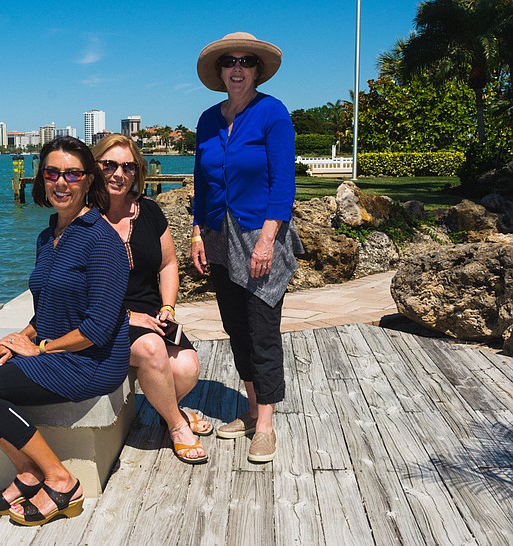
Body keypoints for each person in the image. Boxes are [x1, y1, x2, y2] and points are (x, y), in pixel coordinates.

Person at [0, 136, 130, 526]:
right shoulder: (49, 236)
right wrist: (17, 340)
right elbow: (46, 311)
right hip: (57, 350)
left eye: (72, 174)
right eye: (52, 173)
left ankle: (61, 480)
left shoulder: (102, 240)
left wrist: (40, 350)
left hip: (91, 361)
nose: (61, 182)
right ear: (41, 178)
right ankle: (27, 471)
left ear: (89, 180)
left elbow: (98, 328)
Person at [191, 32, 302, 463]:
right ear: (220, 72)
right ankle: (252, 410)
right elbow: (202, 185)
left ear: (256, 70)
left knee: (261, 329)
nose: (237, 69)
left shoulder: (272, 113)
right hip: (218, 236)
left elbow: (284, 184)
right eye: (229, 62)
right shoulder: (207, 120)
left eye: (245, 62)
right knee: (236, 327)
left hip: (260, 234)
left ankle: (267, 425)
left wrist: (268, 241)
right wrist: (197, 233)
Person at [93, 134, 212, 465]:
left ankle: (169, 409)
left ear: (137, 172)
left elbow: (168, 264)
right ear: (95, 167)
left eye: (128, 167)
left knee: (187, 368)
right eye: (109, 165)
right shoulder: (83, 217)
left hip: (151, 312)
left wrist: (168, 308)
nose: (119, 174)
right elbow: (78, 288)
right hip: (105, 316)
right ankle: (177, 424)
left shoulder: (149, 210)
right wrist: (128, 317)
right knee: (151, 349)